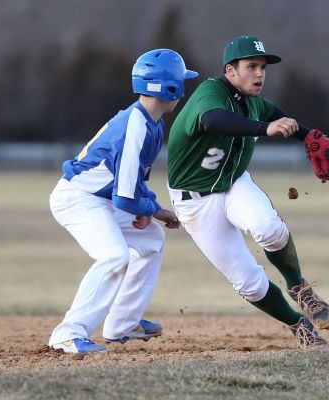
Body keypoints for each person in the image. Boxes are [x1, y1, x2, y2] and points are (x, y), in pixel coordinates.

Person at [167, 35, 329, 349]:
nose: (260, 74)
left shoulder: (254, 101)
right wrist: (263, 128)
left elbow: (281, 118)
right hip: (194, 202)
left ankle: (300, 289)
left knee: (269, 228)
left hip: (234, 184)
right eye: (251, 66)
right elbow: (214, 120)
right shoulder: (210, 93)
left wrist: (309, 138)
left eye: (263, 67)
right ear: (230, 70)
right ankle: (299, 326)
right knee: (248, 284)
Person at [48, 49, 198, 353]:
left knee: (150, 239)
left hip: (101, 199)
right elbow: (125, 196)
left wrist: (149, 209)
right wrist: (154, 209)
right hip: (78, 198)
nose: (182, 89)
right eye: (180, 82)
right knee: (115, 256)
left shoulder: (149, 121)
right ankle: (68, 333)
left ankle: (123, 323)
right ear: (168, 88)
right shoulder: (137, 126)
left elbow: (133, 183)